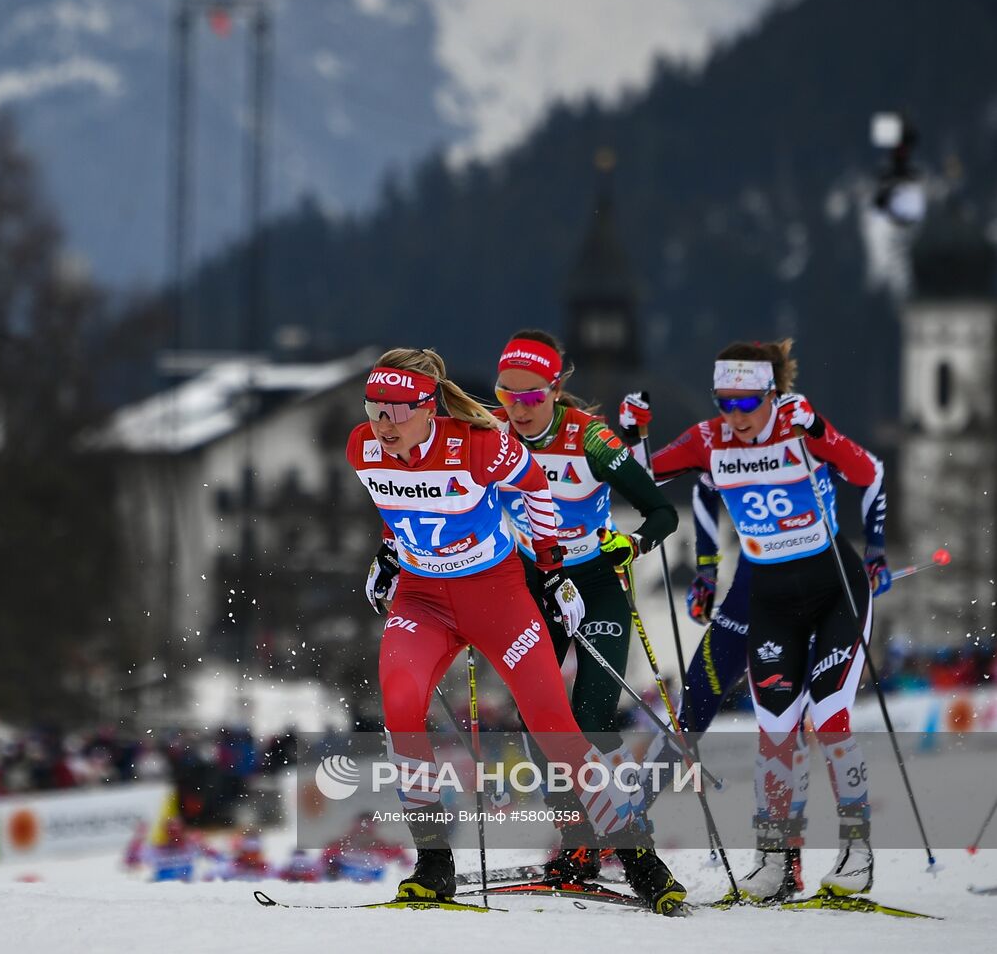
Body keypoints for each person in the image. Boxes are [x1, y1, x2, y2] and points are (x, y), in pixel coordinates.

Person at [348, 347, 684, 914]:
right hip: (422, 598)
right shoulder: (362, 446)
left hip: (496, 594)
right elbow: (393, 500)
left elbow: (534, 487)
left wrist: (552, 571)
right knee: (401, 709)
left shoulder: (478, 442)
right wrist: (389, 552)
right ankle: (433, 868)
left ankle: (638, 858)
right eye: (374, 408)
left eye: (396, 411)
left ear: (429, 408)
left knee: (555, 724)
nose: (382, 424)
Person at [622, 339, 888, 901]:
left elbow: (866, 471)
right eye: (726, 402)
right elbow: (638, 477)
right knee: (774, 732)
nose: (736, 416)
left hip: (835, 590)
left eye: (748, 403)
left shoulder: (797, 424)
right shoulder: (708, 439)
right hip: (770, 600)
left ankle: (856, 851)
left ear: (774, 394)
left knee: (831, 714)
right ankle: (774, 861)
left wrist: (819, 431)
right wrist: (631, 435)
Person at [490, 330, 679, 885]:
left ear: (554, 390)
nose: (518, 410)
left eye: (531, 397)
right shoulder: (493, 438)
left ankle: (630, 838)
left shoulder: (591, 440)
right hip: (531, 587)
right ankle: (578, 841)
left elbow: (662, 512)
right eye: (506, 396)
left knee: (593, 719)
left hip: (595, 583)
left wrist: (633, 542)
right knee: (537, 720)